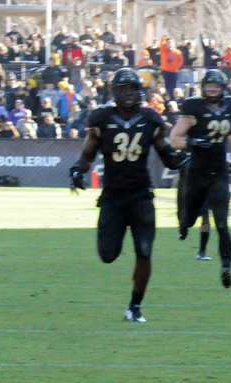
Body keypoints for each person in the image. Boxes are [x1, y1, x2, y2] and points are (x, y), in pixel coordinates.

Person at [69, 68, 189, 322]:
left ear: (139, 92)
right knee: (107, 255)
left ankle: (135, 306)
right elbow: (89, 151)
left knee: (144, 251)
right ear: (115, 93)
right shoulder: (102, 118)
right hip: (113, 197)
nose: (128, 94)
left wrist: (180, 159)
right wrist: (79, 169)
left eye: (132, 89)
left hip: (141, 196)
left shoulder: (150, 119)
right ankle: (133, 302)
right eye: (123, 90)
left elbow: (165, 154)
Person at [169, 69, 231, 287]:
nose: (212, 89)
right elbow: (175, 139)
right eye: (209, 86)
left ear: (223, 88)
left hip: (219, 172)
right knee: (190, 219)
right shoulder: (193, 107)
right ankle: (183, 225)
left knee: (221, 223)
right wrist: (192, 143)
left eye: (216, 86)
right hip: (196, 173)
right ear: (203, 88)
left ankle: (226, 267)